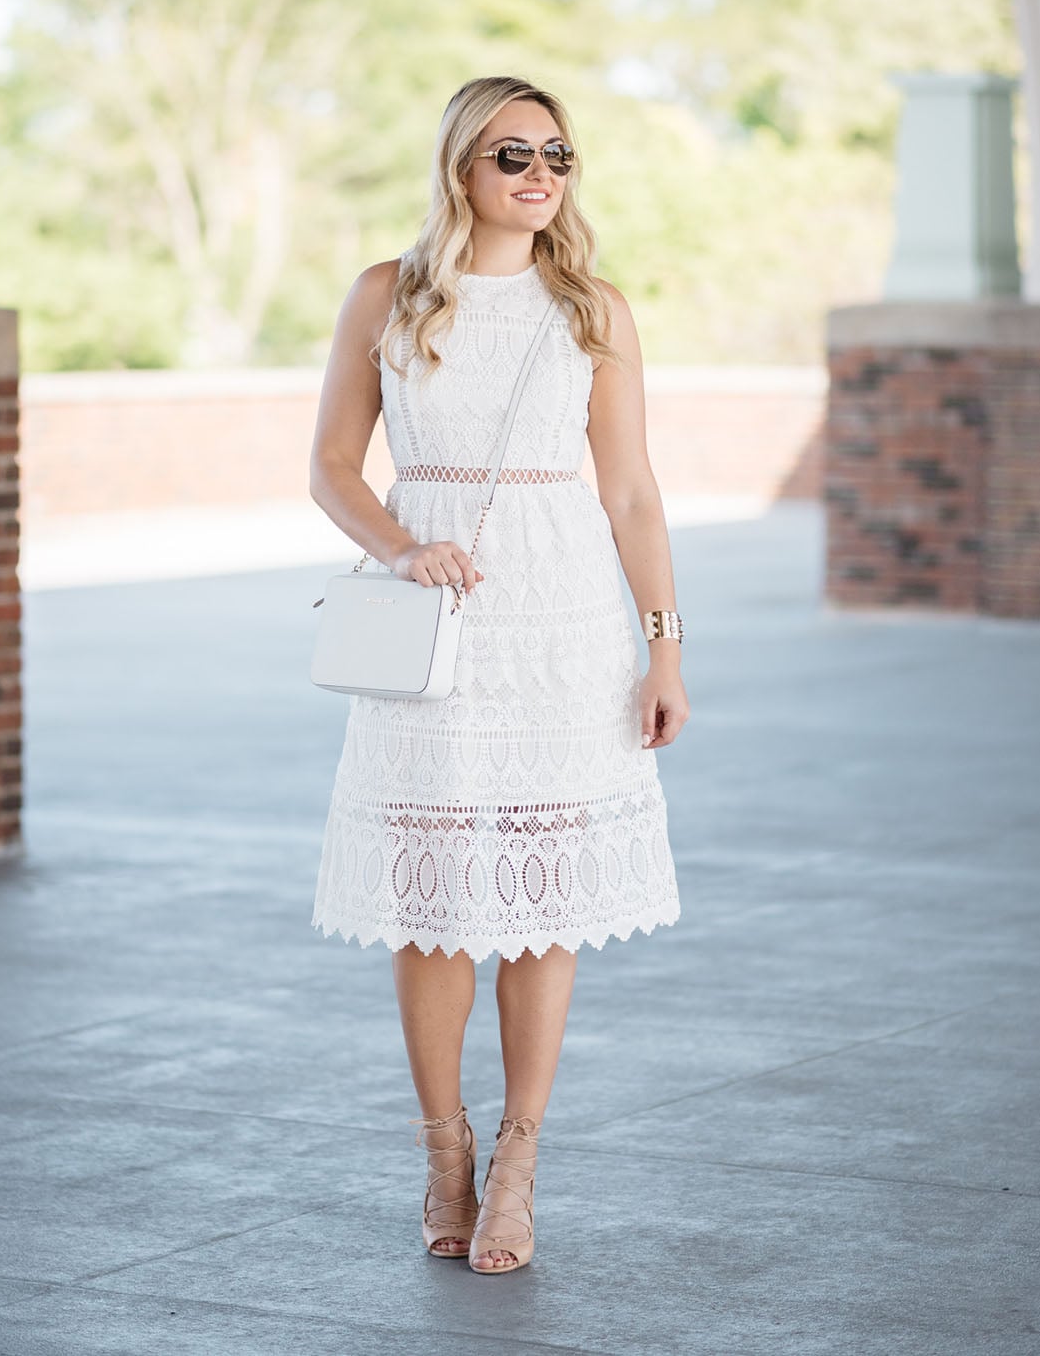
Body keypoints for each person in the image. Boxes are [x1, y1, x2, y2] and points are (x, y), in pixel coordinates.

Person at [309, 75, 687, 1274]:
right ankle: (444, 1149)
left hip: (566, 621)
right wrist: (401, 546)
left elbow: (630, 491)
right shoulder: (390, 293)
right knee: (432, 900)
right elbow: (330, 465)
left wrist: (664, 642)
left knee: (542, 903)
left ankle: (520, 1159)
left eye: (559, 155)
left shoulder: (592, 307)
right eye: (513, 152)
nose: (541, 174)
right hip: (437, 623)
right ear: (460, 165)